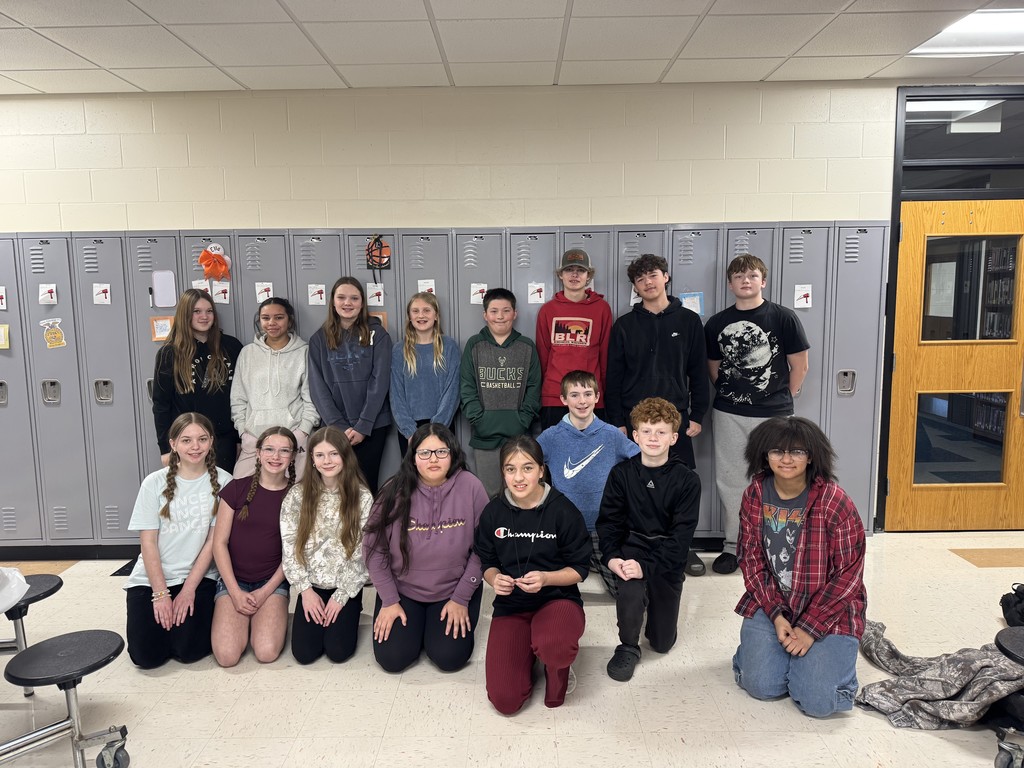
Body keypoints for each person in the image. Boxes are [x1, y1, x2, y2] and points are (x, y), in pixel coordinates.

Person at [732, 416, 866, 718]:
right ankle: (763, 653)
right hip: (774, 601)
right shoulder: (754, 494)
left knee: (818, 702)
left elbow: (849, 575)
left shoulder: (835, 501)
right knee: (761, 686)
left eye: (797, 451)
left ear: (811, 457)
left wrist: (809, 629)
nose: (786, 459)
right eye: (777, 451)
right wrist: (776, 615)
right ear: (764, 455)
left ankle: (831, 661)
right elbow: (751, 559)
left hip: (828, 607)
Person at [604, 253, 709, 578]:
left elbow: (698, 371)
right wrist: (617, 421)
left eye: (653, 275)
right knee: (635, 485)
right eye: (640, 279)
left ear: (666, 277)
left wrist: (697, 414)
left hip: (675, 419)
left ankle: (681, 547)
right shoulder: (624, 325)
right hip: (634, 421)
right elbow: (613, 378)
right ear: (635, 287)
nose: (647, 282)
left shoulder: (689, 321)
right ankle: (636, 545)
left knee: (679, 483)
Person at [704, 254, 810, 575]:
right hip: (729, 413)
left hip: (774, 415)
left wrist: (783, 397)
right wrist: (736, 395)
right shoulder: (717, 324)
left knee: (780, 478)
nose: (745, 281)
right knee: (732, 480)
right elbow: (714, 369)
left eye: (752, 275)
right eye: (738, 276)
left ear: (763, 281)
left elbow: (800, 366)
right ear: (730, 284)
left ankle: (777, 545)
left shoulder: (784, 318)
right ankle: (733, 546)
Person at [474, 435, 592, 714]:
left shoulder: (563, 510)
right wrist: (494, 579)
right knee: (505, 701)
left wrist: (546, 578)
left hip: (557, 599)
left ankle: (556, 664)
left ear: (541, 470)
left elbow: (579, 569)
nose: (518, 477)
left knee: (555, 650)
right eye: (510, 469)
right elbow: (487, 562)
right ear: (503, 472)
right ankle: (530, 651)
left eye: (527, 468)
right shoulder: (493, 512)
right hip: (512, 606)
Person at [363, 423, 488, 673]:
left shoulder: (471, 487)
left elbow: (484, 548)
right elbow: (374, 549)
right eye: (424, 452)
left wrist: (461, 598)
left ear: (453, 454)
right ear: (413, 457)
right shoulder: (393, 490)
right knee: (393, 659)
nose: (433, 459)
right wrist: (389, 599)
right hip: (404, 590)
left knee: (449, 658)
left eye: (441, 452)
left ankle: (428, 630)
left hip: (453, 590)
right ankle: (418, 629)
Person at [597, 398, 700, 682]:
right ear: (635, 435)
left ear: (674, 438)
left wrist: (648, 568)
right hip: (632, 549)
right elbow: (609, 523)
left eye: (661, 432)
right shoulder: (621, 474)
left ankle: (657, 600)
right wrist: (612, 557)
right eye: (646, 431)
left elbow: (681, 539)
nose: (653, 438)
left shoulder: (687, 480)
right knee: (630, 589)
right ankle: (628, 645)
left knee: (662, 643)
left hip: (667, 556)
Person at [123, 412, 232, 669]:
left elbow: (213, 542)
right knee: (146, 657)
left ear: (211, 442)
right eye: (186, 440)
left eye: (202, 439)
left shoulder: (224, 481)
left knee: (189, 651)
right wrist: (161, 594)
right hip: (152, 578)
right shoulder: (153, 483)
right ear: (173, 444)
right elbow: (148, 543)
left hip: (198, 577)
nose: (195, 447)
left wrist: (188, 590)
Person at [537, 370, 639, 595]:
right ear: (563, 399)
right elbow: (527, 462)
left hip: (603, 528)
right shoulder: (551, 437)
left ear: (597, 397)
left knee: (624, 592)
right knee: (547, 593)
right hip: (564, 528)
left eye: (587, 394)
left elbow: (641, 460)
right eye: (574, 395)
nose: (582, 401)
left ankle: (594, 560)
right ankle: (581, 562)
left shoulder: (611, 434)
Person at [279, 425, 373, 664]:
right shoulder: (296, 496)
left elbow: (364, 551)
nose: (327, 461)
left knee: (338, 651)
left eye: (333, 454)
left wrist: (342, 596)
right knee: (304, 654)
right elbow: (289, 547)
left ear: (345, 456)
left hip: (345, 585)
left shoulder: (362, 496)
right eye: (320, 455)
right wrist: (305, 591)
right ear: (312, 459)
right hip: (311, 586)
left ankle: (349, 612)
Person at [210, 426, 296, 667]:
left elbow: (293, 554)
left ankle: (267, 616)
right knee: (227, 656)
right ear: (258, 453)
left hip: (272, 582)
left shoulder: (296, 496)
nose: (276, 456)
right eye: (269, 449)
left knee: (266, 652)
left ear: (292, 457)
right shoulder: (236, 488)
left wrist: (265, 592)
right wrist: (234, 592)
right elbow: (219, 543)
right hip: (234, 581)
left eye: (284, 451)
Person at [307, 277, 393, 494]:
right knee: (336, 488)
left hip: (372, 426)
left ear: (362, 303)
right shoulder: (319, 339)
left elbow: (380, 381)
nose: (347, 303)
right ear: (333, 302)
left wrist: (363, 425)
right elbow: (317, 387)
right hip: (335, 427)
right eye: (341, 298)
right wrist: (338, 426)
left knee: (366, 486)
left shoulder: (378, 335)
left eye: (354, 298)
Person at [459, 288, 541, 496]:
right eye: (494, 311)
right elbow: (467, 387)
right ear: (485, 315)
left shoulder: (526, 346)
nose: (500, 316)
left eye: (506, 310)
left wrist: (523, 421)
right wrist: (479, 420)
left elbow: (534, 388)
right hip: (484, 438)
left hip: (519, 437)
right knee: (488, 496)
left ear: (515, 313)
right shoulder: (474, 345)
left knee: (520, 493)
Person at [153, 288, 243, 473]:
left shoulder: (231, 346)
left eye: (209, 311)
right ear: (185, 315)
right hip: (187, 441)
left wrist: (240, 440)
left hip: (224, 439)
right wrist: (165, 448)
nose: (204, 316)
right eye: (197, 311)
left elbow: (242, 396)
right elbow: (161, 405)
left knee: (223, 488)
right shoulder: (169, 353)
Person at [230, 297, 318, 479]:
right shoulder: (247, 353)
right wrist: (243, 432)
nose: (272, 323)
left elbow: (312, 397)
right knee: (241, 487)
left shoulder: (304, 352)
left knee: (294, 492)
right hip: (254, 440)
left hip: (293, 440)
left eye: (278, 317)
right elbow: (238, 398)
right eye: (266, 318)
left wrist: (302, 432)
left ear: (289, 320)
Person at [535, 248, 613, 429]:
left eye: (581, 270)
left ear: (589, 275)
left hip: (589, 397)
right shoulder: (548, 310)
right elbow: (543, 356)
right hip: (555, 396)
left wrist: (602, 395)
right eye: (569, 270)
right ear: (560, 275)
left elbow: (605, 356)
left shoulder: (602, 309)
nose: (575, 275)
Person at [390, 292, 461, 457]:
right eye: (415, 311)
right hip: (410, 431)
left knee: (442, 471)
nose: (421, 315)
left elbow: (453, 391)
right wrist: (409, 431)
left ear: (436, 315)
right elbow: (396, 395)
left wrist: (437, 429)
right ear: (409, 316)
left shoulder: (449, 347)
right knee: (413, 472)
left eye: (427, 310)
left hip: (442, 427)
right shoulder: (399, 350)